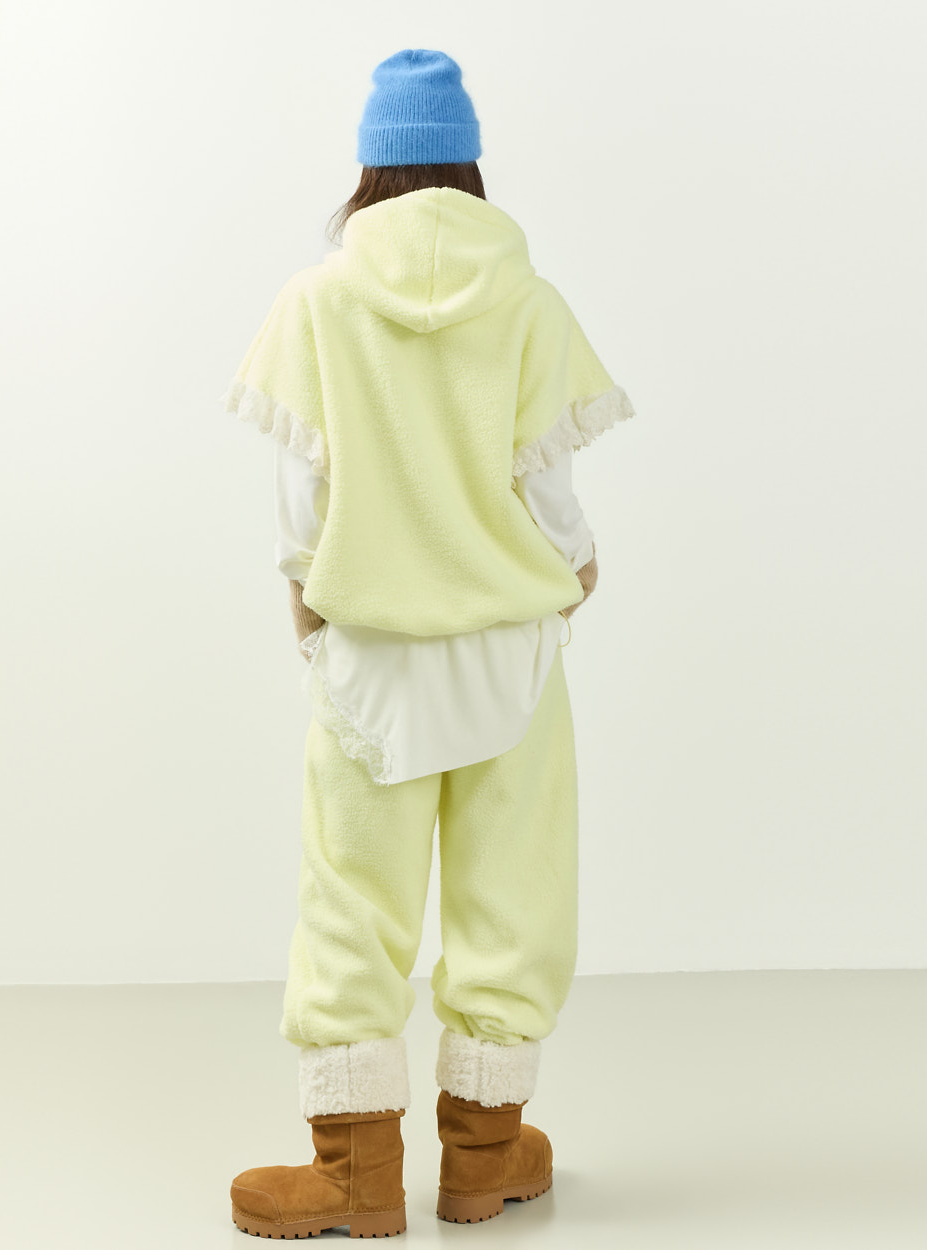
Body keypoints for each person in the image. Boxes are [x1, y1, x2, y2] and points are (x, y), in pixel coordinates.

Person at [221, 47, 635, 1239]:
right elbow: (546, 486)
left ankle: (353, 1173)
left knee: (353, 899)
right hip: (509, 650)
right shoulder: (527, 299)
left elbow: (304, 490)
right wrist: (574, 568)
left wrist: (307, 599)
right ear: (468, 166)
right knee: (512, 894)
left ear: (370, 168)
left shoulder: (317, 301)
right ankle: (482, 1158)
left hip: (373, 653)